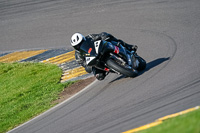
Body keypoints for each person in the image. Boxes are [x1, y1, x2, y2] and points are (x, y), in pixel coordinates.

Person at [70, 32, 138, 80]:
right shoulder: (78, 55)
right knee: (99, 76)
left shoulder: (90, 37)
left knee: (110, 39)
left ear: (83, 39)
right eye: (77, 46)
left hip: (100, 50)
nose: (79, 46)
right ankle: (115, 69)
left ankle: (128, 46)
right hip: (95, 61)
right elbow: (84, 64)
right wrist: (88, 66)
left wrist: (103, 37)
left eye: (80, 43)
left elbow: (100, 35)